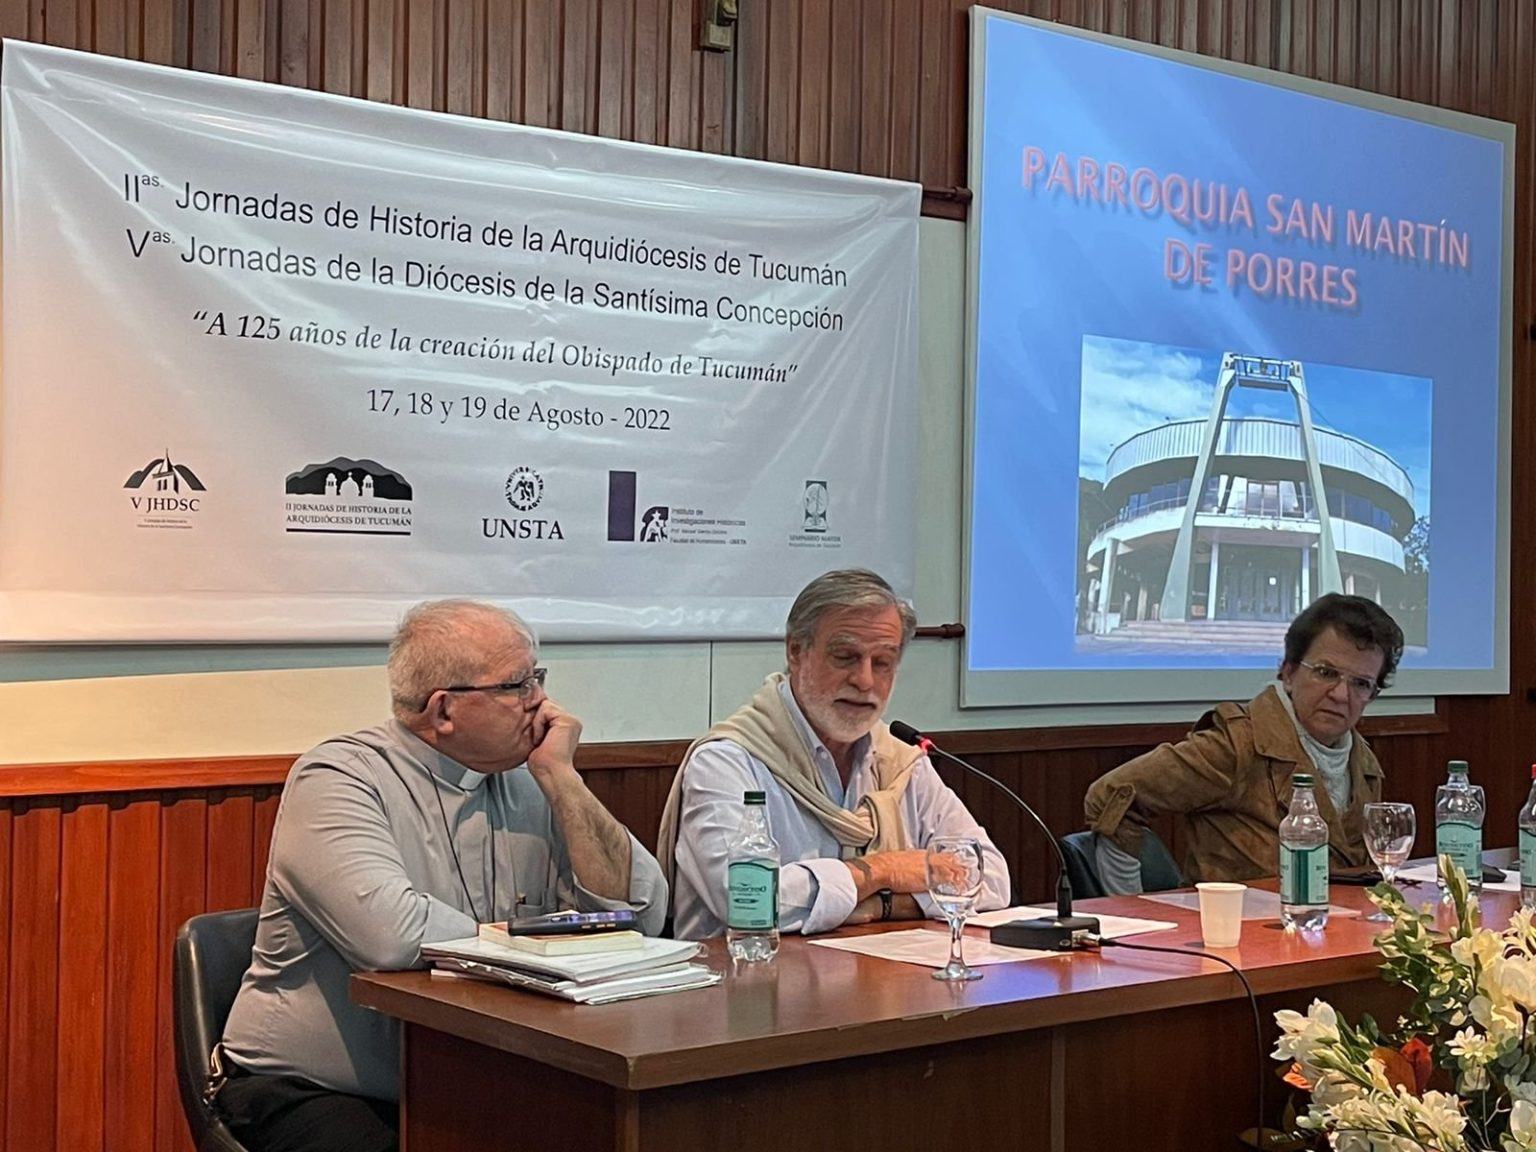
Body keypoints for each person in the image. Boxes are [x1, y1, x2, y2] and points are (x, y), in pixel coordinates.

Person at [218, 599, 667, 1152]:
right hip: (316, 1089)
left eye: (538, 678)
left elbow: (640, 913)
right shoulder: (337, 777)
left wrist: (562, 778)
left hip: (472, 1080)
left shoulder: (532, 778)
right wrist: (542, 944)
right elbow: (390, 935)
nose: (541, 702)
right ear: (444, 710)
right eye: (517, 685)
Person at [659, 568, 1010, 939]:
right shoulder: (728, 762)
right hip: (747, 971)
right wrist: (884, 870)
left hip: (883, 972)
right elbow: (746, 899)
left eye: (883, 662)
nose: (865, 680)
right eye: (845, 657)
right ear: (796, 651)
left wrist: (881, 906)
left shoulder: (899, 762)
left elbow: (989, 876)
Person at [1083, 593, 1405, 890]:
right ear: (1289, 672)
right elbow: (1110, 797)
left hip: (1336, 930)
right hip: (1235, 930)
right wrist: (1130, 912)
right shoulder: (1237, 744)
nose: (1341, 695)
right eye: (1325, 672)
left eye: (1360, 683)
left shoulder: (1364, 764)